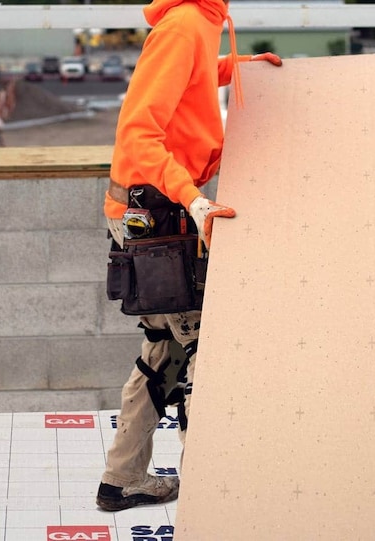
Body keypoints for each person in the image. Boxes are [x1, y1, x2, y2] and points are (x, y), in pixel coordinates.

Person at [95, 0, 283, 513]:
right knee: (206, 349)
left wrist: (242, 67)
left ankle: (123, 479)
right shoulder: (182, 27)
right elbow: (138, 135)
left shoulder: (201, 21)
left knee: (167, 346)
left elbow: (193, 78)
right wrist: (195, 199)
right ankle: (216, 501)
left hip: (155, 213)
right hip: (155, 216)